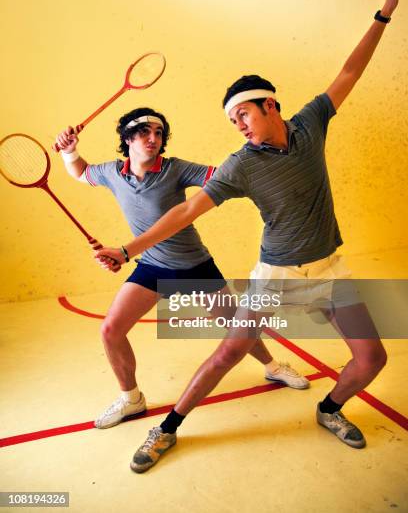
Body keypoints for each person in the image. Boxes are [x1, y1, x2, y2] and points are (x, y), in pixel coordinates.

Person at [95, 0, 400, 472]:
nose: (238, 124)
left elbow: (349, 71)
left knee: (372, 359)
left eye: (243, 114)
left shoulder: (310, 125)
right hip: (275, 274)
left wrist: (384, 14)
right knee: (227, 354)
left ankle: (329, 408)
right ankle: (165, 428)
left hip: (329, 268)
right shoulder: (239, 166)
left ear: (271, 106)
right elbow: (187, 210)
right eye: (231, 119)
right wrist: (128, 250)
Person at [55, 107, 308, 430]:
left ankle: (273, 366)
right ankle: (131, 399)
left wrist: (270, 162)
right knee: (110, 330)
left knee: (237, 328)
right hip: (150, 267)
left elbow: (226, 176)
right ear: (127, 138)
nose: (153, 139)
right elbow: (79, 172)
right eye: (145, 132)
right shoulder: (111, 173)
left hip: (194, 264)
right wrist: (69, 149)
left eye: (159, 134)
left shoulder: (175, 169)